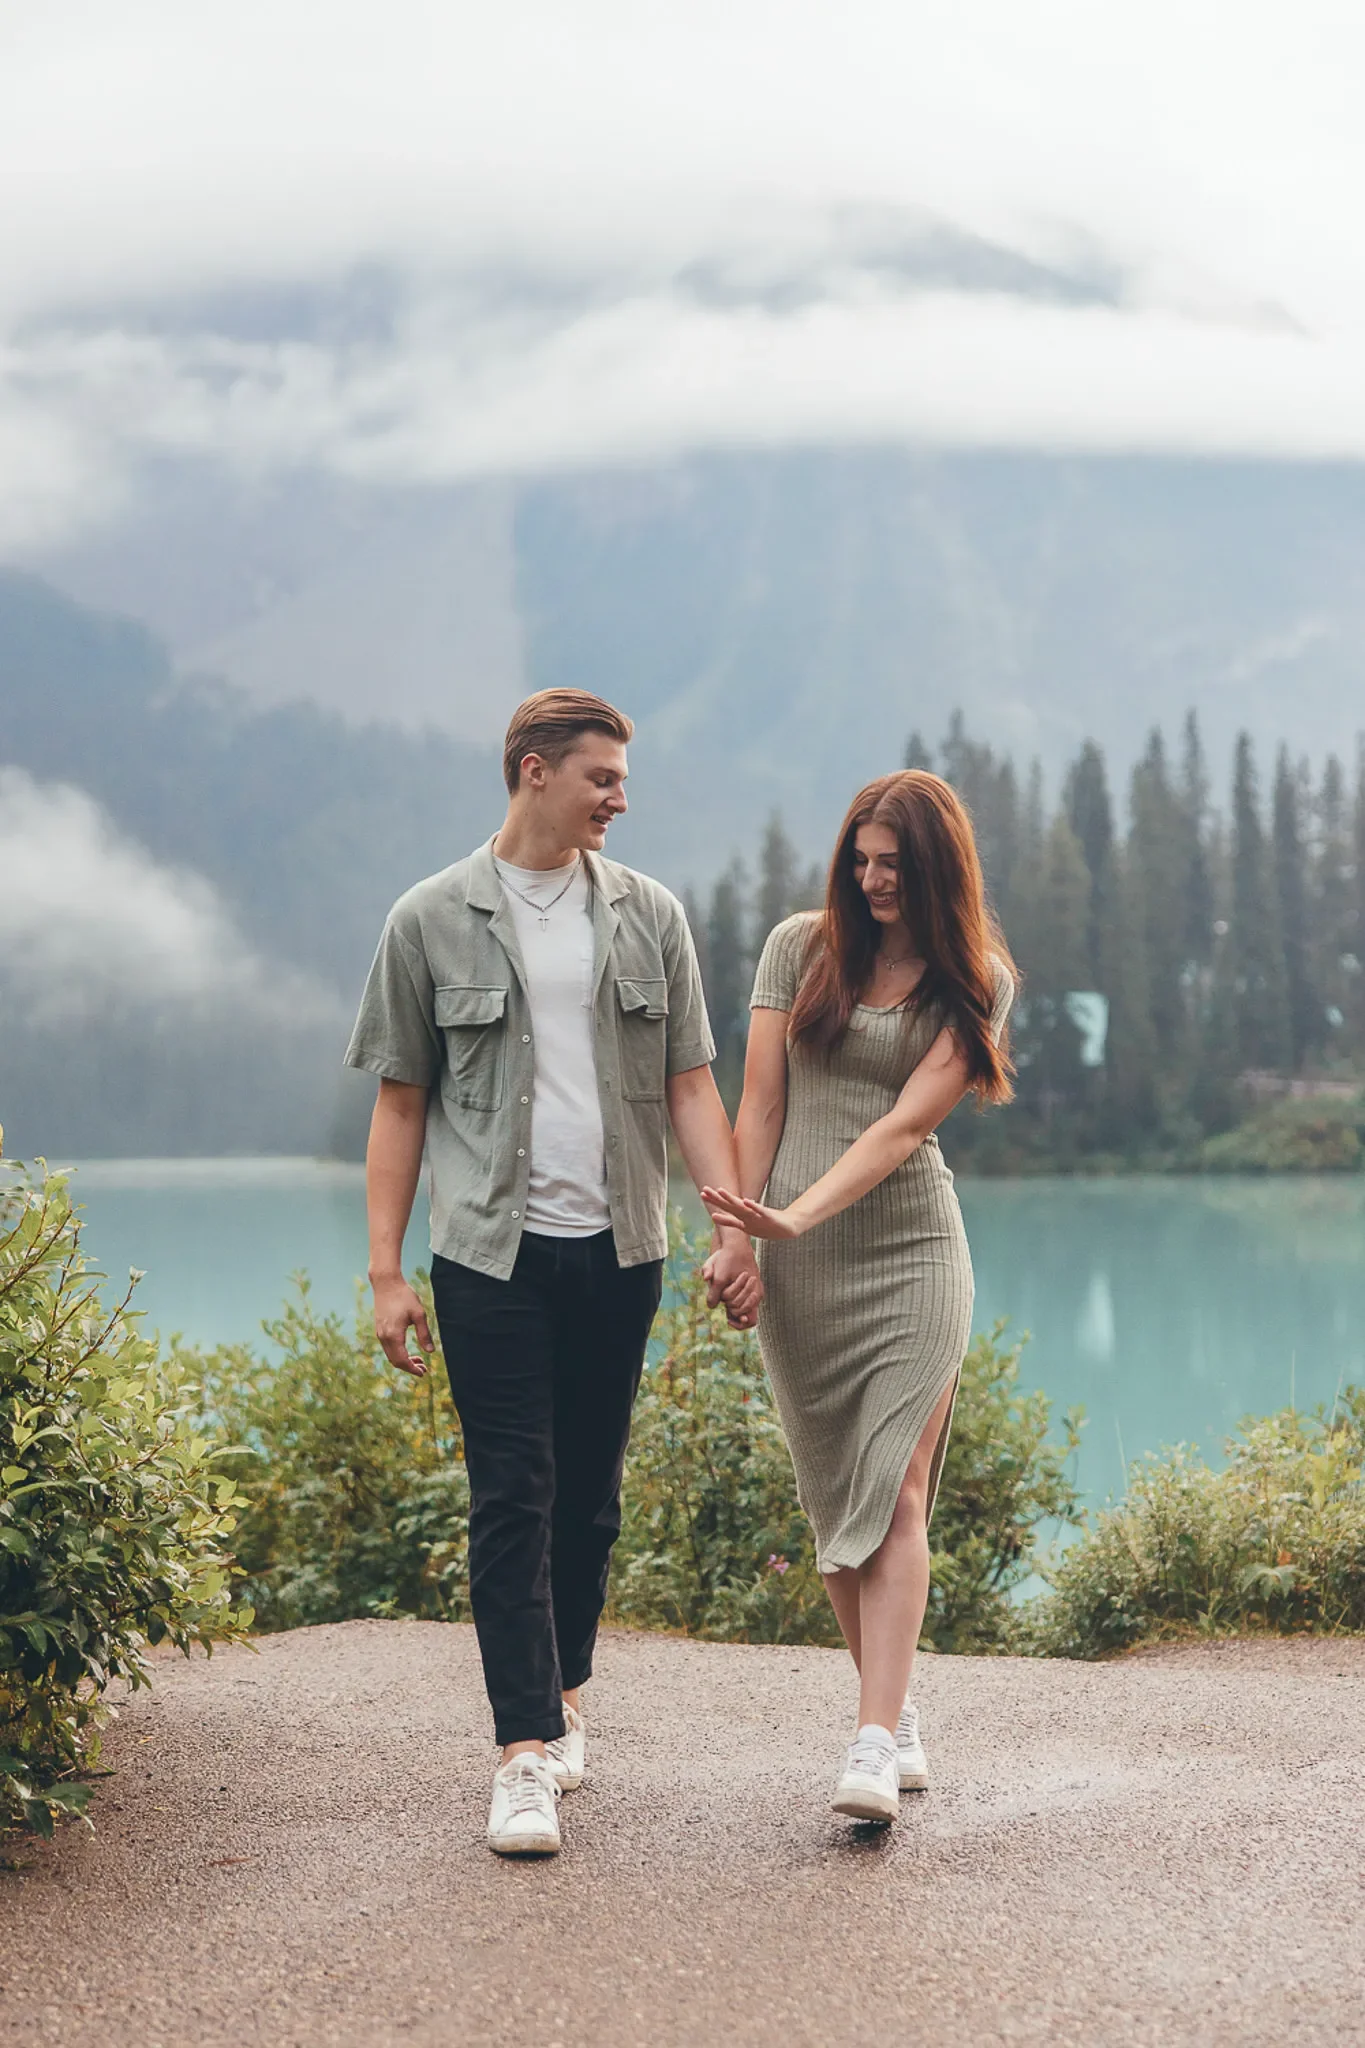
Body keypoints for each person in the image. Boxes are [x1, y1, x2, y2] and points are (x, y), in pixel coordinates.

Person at [344, 688, 761, 1858]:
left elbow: (691, 1086)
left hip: (621, 1246)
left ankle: (566, 1690)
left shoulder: (649, 914)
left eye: (622, 778)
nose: (621, 796)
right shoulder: (428, 918)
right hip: (489, 1258)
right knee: (511, 1495)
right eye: (603, 777)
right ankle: (521, 1751)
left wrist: (732, 1231)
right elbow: (399, 1103)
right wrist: (385, 1272)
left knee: (588, 1499)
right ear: (534, 771)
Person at [701, 770, 1014, 1826]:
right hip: (799, 1263)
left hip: (913, 1248)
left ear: (937, 869)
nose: (872, 879)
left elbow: (899, 1129)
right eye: (861, 859)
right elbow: (760, 1098)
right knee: (838, 1498)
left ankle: (874, 1740)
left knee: (898, 1490)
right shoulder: (800, 947)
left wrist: (799, 1214)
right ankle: (896, 1706)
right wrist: (741, 1228)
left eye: (893, 863)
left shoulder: (976, 980)